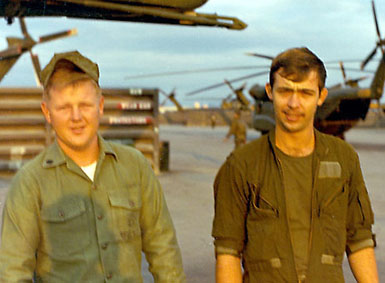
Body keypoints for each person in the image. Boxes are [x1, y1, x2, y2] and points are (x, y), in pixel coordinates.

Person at [0, 51, 186, 282]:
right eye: (64, 108)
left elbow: (164, 252)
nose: (76, 117)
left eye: (85, 105)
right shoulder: (30, 183)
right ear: (47, 112)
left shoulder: (135, 167)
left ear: (100, 106)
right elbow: (13, 272)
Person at [212, 47, 378, 282]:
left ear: (321, 96)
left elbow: (360, 240)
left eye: (305, 93)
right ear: (270, 92)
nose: (293, 103)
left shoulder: (344, 158)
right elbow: (228, 253)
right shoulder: (241, 165)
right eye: (285, 91)